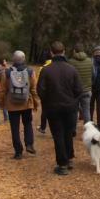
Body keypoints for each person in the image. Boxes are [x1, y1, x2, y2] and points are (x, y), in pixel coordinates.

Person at [37, 41, 83, 175]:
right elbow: (79, 90)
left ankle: (62, 164)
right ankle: (69, 158)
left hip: (53, 108)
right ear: (63, 52)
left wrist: (47, 102)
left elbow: (41, 90)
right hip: (70, 107)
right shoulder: (72, 69)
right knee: (68, 133)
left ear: (51, 53)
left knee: (58, 135)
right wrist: (73, 101)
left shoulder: (46, 70)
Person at [0, 51, 38, 159]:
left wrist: (2, 103)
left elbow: (2, 90)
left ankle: (18, 152)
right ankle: (29, 144)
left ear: (13, 59)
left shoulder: (6, 73)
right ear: (24, 59)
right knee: (28, 124)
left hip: (12, 104)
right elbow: (33, 89)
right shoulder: (30, 71)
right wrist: (35, 103)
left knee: (14, 128)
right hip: (26, 103)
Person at [68, 43, 93, 124]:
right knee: (86, 111)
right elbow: (94, 74)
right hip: (87, 90)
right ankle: (88, 130)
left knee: (74, 111)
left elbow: (68, 76)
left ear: (74, 51)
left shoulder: (70, 62)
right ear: (83, 50)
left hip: (74, 91)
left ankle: (73, 130)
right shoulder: (90, 61)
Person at [36, 55, 52, 134]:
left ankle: (43, 127)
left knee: (44, 111)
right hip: (55, 93)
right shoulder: (56, 66)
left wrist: (41, 95)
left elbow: (39, 81)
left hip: (45, 93)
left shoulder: (42, 68)